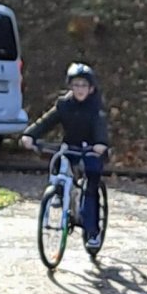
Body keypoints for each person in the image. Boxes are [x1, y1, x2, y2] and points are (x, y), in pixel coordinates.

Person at [21, 62, 110, 252]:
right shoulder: (64, 105)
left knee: (91, 185)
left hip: (91, 151)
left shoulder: (96, 107)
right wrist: (30, 135)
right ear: (70, 86)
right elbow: (46, 121)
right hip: (70, 148)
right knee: (58, 163)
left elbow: (100, 126)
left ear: (91, 88)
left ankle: (92, 232)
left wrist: (101, 143)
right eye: (76, 85)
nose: (80, 89)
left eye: (84, 85)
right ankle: (59, 194)